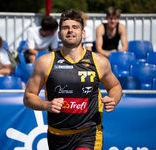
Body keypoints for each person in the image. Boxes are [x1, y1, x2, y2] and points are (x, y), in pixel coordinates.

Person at [23, 9, 122, 150]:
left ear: (83, 33)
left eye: (75, 27)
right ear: (59, 34)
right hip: (56, 135)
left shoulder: (99, 62)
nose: (70, 31)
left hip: (89, 133)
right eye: (65, 28)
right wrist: (47, 105)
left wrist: (114, 100)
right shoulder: (45, 62)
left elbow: (115, 86)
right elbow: (28, 97)